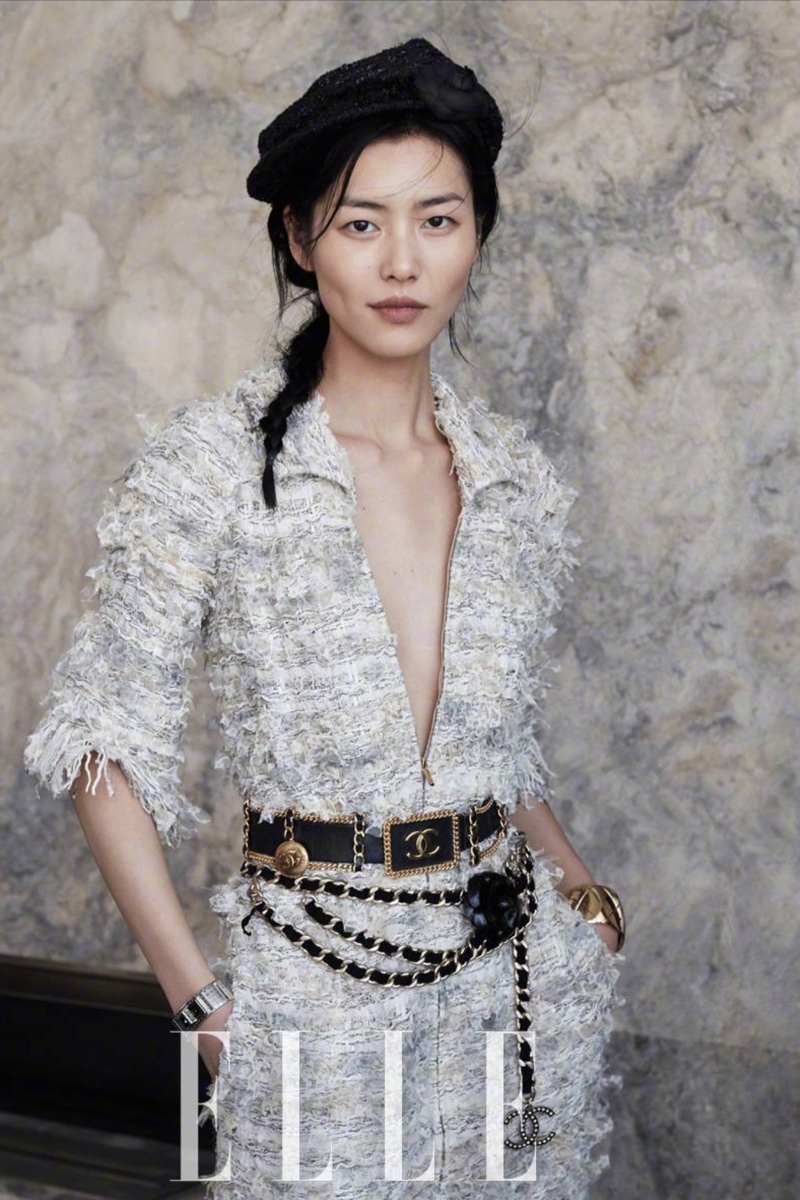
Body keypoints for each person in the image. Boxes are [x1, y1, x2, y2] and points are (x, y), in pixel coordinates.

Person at [25, 38, 624, 1200]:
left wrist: (584, 898)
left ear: (477, 234)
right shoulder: (208, 463)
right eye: (360, 223)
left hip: (518, 989)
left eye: (437, 220)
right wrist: (199, 1002)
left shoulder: (512, 478)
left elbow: (498, 752)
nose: (402, 261)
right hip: (312, 990)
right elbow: (101, 747)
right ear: (301, 240)